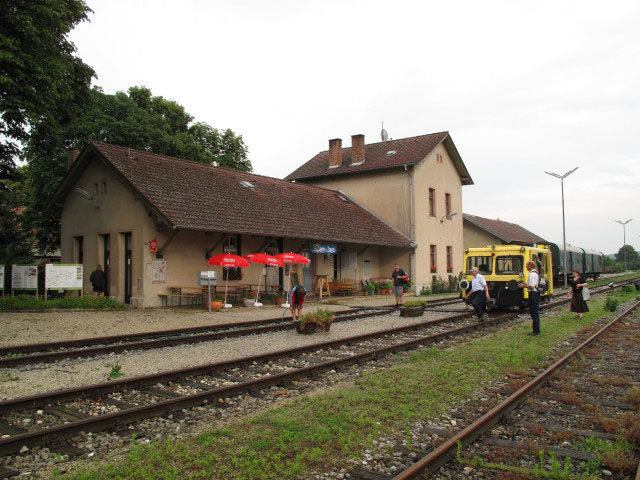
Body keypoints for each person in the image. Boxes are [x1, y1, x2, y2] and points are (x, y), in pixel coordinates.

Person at [519, 261, 540, 335]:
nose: (526, 267)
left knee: (534, 312)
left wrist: (524, 286)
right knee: (534, 312)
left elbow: (532, 286)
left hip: (533, 294)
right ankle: (536, 329)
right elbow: (532, 285)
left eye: (526, 266)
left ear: (530, 266)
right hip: (533, 294)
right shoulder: (534, 273)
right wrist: (526, 284)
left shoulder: (533, 274)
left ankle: (536, 330)